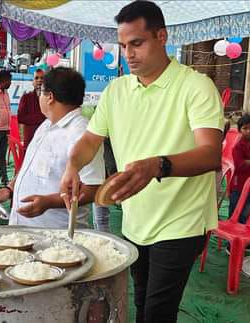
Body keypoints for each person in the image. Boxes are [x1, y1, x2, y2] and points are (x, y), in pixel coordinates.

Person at [60, 2, 224, 322]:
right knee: (139, 300)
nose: (129, 54)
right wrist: (72, 166)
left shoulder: (195, 86)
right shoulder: (116, 90)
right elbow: (90, 141)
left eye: (137, 43)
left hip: (182, 221)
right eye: (123, 46)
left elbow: (210, 154)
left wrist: (157, 165)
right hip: (136, 218)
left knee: (157, 312)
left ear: (161, 37)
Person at [0, 67, 104, 228]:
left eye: (41, 91)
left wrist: (49, 202)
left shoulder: (81, 133)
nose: (38, 95)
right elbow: (30, 167)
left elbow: (93, 189)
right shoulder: (46, 124)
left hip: (55, 233)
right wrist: (9, 189)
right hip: (24, 227)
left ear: (50, 97)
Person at [17, 69, 47, 149]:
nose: (39, 80)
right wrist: (40, 118)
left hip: (46, 140)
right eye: (36, 78)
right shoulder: (26, 97)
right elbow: (20, 118)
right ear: (32, 81)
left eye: (42, 78)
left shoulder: (51, 98)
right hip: (30, 139)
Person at [0, 70, 12, 185]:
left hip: (6, 129)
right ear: (3, 81)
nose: (10, 83)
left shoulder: (6, 93)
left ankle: (4, 179)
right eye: (9, 81)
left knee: (2, 155)